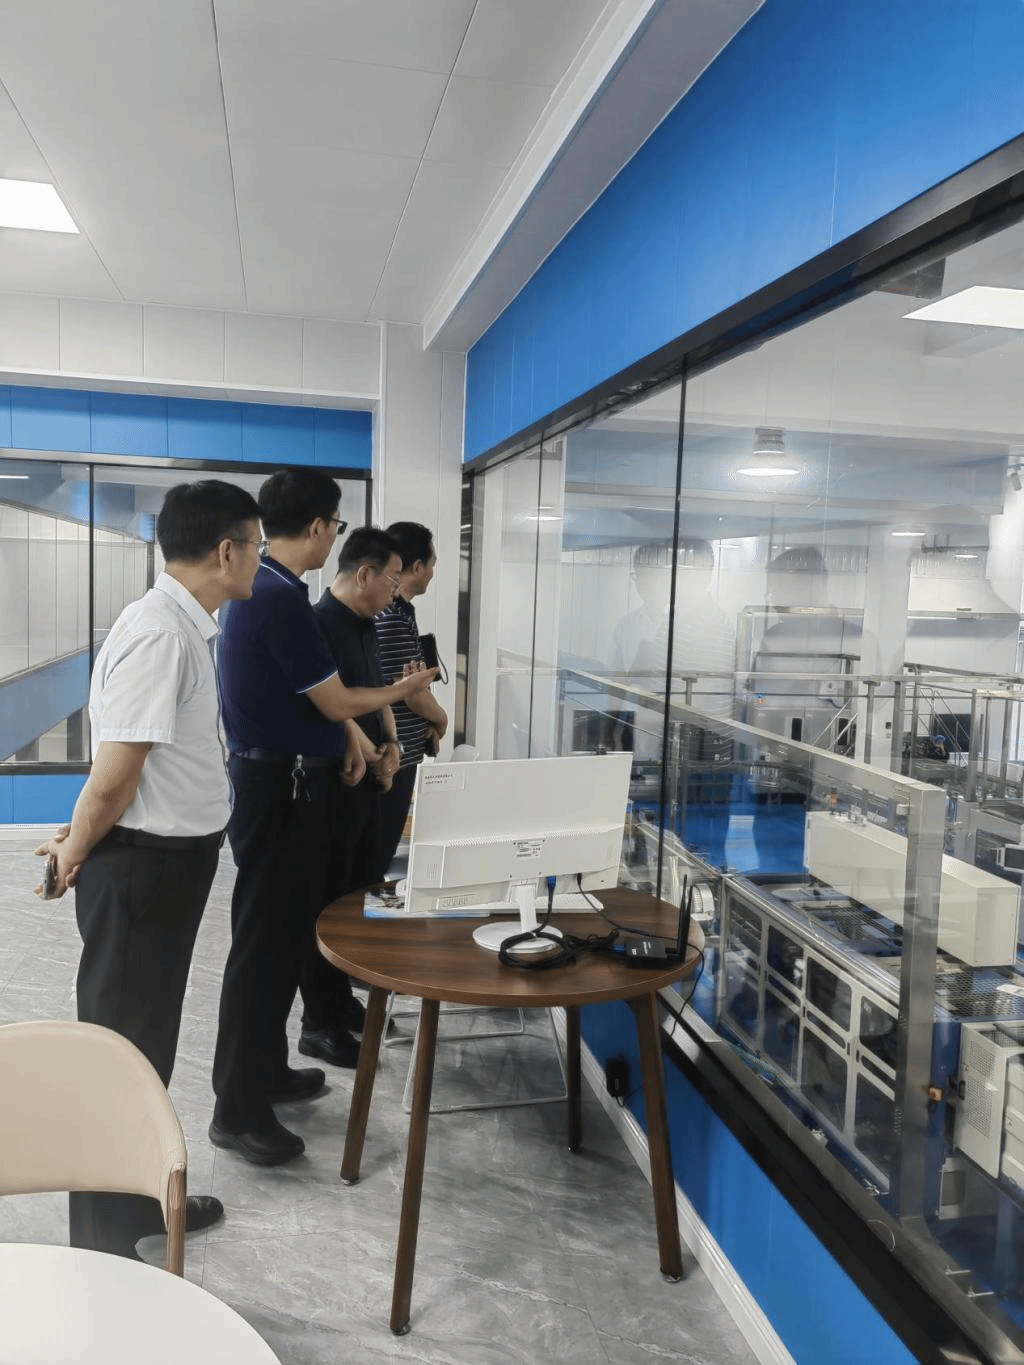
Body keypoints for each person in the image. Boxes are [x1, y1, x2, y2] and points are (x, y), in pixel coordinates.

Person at [33, 478, 263, 1261]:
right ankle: (103, 1241)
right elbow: (115, 776)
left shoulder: (179, 626)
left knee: (146, 1048)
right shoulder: (162, 633)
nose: (258, 559)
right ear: (226, 551)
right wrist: (75, 847)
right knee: (119, 1057)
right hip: (142, 870)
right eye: (256, 545)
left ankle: (137, 1199)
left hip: (165, 866)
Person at [210, 469, 436, 1167]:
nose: (334, 535)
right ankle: (237, 1109)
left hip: (285, 782)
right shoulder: (278, 598)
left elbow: (315, 708)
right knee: (262, 949)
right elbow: (336, 701)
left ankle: (267, 1071)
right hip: (278, 790)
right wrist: (402, 692)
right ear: (317, 526)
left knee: (280, 943)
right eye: (335, 524)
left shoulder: (276, 590)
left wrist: (354, 743)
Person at [297, 526, 405, 1053]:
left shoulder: (367, 623)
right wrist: (365, 749)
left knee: (357, 895)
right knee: (325, 903)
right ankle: (318, 1023)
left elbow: (377, 693)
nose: (396, 591)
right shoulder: (317, 624)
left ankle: (342, 1002)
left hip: (369, 780)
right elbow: (330, 704)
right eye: (392, 579)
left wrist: (392, 745)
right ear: (364, 574)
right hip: (333, 782)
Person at [373, 521, 448, 878]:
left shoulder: (400, 613)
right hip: (395, 756)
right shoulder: (392, 618)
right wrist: (442, 720)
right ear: (417, 566)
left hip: (401, 751)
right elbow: (410, 691)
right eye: (432, 564)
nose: (432, 573)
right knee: (380, 850)